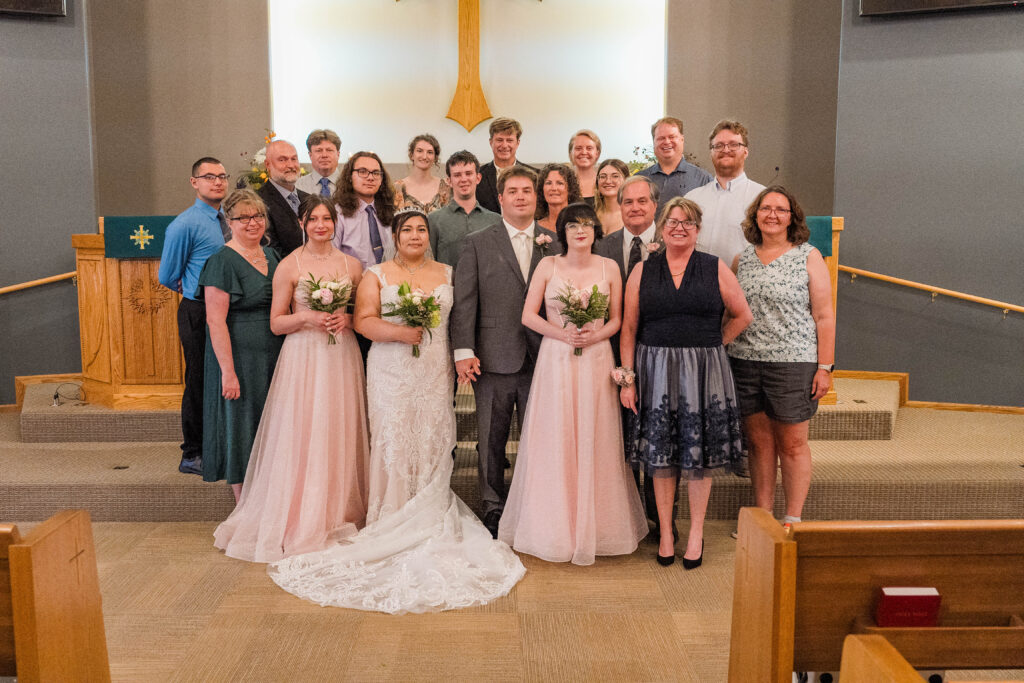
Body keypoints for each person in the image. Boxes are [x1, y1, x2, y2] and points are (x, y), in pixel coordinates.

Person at [268, 208, 525, 614]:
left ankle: (431, 510)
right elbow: (363, 321)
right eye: (408, 229)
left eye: (422, 229)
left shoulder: (448, 272)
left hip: (433, 370)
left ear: (430, 235)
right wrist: (402, 332)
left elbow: (463, 317)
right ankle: (392, 514)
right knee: (394, 438)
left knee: (434, 437)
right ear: (396, 235)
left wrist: (461, 355)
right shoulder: (376, 274)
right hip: (391, 370)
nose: (416, 235)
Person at [212, 195, 369, 562]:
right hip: (304, 357)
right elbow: (276, 322)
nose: (320, 225)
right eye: (313, 219)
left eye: (326, 219)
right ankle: (304, 511)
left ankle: (338, 511)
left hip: (342, 355)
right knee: (305, 430)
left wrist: (345, 319)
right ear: (302, 223)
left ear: (335, 224)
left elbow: (361, 314)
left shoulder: (353, 265)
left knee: (338, 427)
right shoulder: (287, 265)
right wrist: (308, 319)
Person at [499, 203, 647, 565]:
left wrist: (595, 335)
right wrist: (563, 335)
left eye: (586, 225)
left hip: (597, 359)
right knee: (557, 434)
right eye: (572, 226)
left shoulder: (610, 267)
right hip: (557, 358)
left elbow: (619, 320)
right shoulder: (548, 266)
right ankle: (553, 526)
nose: (580, 231)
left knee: (596, 434)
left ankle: (597, 527)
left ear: (596, 230)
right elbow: (528, 315)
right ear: (561, 233)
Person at [621, 197, 752, 567]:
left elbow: (743, 315)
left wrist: (713, 345)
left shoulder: (714, 267)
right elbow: (629, 328)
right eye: (673, 221)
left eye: (688, 222)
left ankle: (695, 533)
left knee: (698, 458)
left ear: (697, 229)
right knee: (661, 458)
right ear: (661, 229)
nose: (680, 227)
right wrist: (627, 380)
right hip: (654, 369)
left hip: (703, 372)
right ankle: (665, 531)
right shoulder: (643, 271)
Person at [452, 166, 561, 538]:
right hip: (493, 355)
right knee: (492, 438)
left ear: (536, 197)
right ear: (499, 198)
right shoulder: (479, 241)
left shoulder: (555, 241)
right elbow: (465, 300)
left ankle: (534, 503)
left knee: (541, 435)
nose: (520, 197)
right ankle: (494, 506)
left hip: (544, 357)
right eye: (512, 191)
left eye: (527, 191)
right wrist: (463, 350)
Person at [727, 186, 835, 526]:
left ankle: (792, 518)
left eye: (780, 209)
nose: (772, 215)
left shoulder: (808, 256)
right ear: (755, 215)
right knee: (758, 444)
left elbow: (824, 316)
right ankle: (762, 516)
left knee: (792, 443)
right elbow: (730, 312)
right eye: (765, 208)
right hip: (745, 361)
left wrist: (825, 367)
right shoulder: (741, 259)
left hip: (793, 363)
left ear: (792, 218)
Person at [198, 189, 284, 501]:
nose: (252, 223)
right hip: (240, 357)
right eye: (243, 218)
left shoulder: (272, 256)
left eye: (258, 216)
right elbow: (214, 321)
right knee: (242, 425)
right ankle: (244, 506)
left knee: (271, 424)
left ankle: (271, 499)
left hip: (275, 353)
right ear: (229, 222)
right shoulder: (221, 261)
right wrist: (228, 372)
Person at [157, 157, 229, 475]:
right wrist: (197, 292)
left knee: (223, 378)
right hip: (198, 309)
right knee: (198, 379)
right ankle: (192, 452)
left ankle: (222, 444)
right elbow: (167, 275)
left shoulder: (230, 218)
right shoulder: (184, 224)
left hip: (229, 310)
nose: (218, 182)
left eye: (222, 176)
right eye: (209, 176)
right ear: (194, 182)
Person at [684, 120, 766, 267]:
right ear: (711, 152)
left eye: (734, 144)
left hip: (742, 285)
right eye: (719, 145)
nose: (726, 149)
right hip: (697, 285)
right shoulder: (692, 198)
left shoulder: (763, 198)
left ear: (746, 151)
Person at [427, 150, 498, 268]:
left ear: (478, 178)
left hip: (487, 286)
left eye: (468, 173)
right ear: (449, 181)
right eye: (457, 175)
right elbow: (429, 263)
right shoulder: (434, 220)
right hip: (447, 285)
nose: (463, 179)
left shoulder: (495, 221)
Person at [332, 151, 396, 271]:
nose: (370, 177)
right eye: (362, 172)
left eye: (376, 173)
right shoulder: (337, 214)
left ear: (382, 179)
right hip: (352, 285)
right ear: (349, 177)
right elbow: (331, 258)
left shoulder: (390, 211)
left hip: (389, 283)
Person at [637, 117, 711, 211]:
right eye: (661, 138)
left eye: (672, 137)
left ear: (682, 139)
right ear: (654, 143)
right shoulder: (640, 179)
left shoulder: (703, 179)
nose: (667, 142)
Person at [258, 140, 309, 256]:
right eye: (282, 160)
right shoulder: (258, 202)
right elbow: (270, 250)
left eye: (294, 159)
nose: (290, 165)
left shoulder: (308, 198)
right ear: (268, 165)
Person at [475, 117, 537, 214]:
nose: (504, 145)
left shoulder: (535, 176)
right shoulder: (477, 177)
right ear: (491, 142)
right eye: (499, 140)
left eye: (509, 140)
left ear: (517, 143)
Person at [393, 133, 451, 214]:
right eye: (419, 151)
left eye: (430, 152)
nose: (424, 156)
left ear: (435, 158)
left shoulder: (446, 187)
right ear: (411, 155)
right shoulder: (396, 188)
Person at [295, 129, 342, 198]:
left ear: (338, 154)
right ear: (310, 155)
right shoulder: (298, 186)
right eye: (318, 150)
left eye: (329, 150)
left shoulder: (351, 185)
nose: (324, 155)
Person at [535, 163, 581, 233]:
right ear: (542, 189)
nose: (553, 188)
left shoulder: (582, 226)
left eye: (560, 183)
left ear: (570, 189)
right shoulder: (534, 227)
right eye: (548, 183)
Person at [593, 158, 629, 234]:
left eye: (615, 176)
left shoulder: (634, 216)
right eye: (603, 176)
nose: (608, 181)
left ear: (626, 180)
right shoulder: (590, 215)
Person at [568, 129, 601, 206]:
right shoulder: (563, 183)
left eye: (589, 148)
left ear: (597, 153)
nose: (583, 152)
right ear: (570, 153)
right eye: (578, 148)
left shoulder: (605, 183)